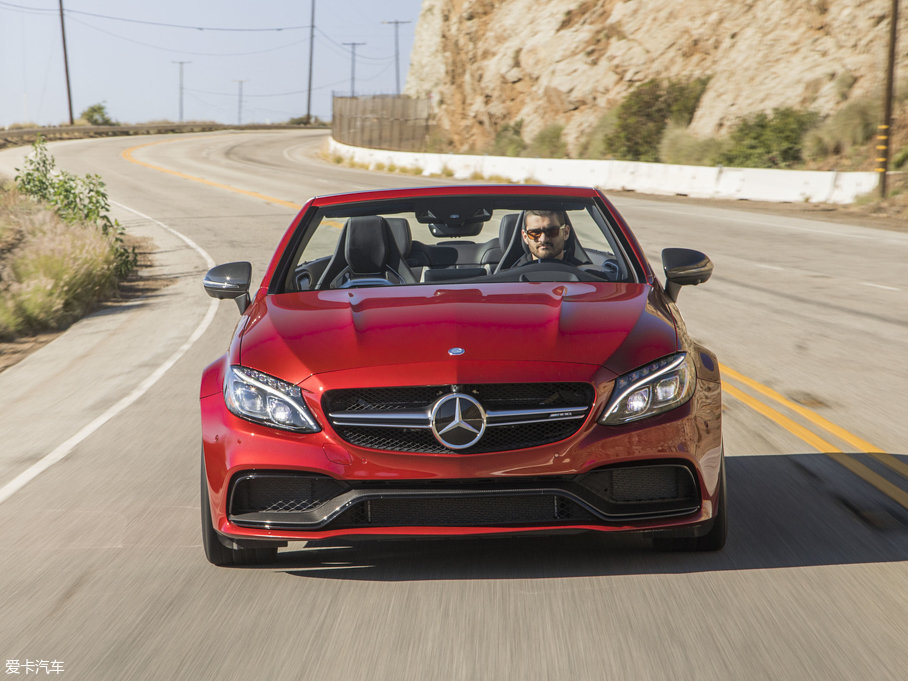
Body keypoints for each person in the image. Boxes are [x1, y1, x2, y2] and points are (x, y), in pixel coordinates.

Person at [512, 209, 584, 266]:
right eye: (535, 233)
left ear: (566, 233)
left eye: (552, 232)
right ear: (525, 237)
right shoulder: (511, 280)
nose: (543, 239)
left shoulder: (586, 277)